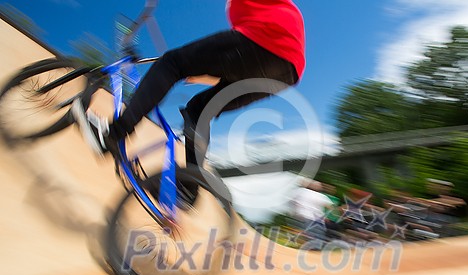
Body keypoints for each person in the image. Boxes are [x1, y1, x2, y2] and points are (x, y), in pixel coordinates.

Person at [75, 0, 306, 206]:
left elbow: (248, 54)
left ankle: (113, 135)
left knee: (171, 63)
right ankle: (188, 188)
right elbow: (242, 65)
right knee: (200, 109)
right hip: (285, 71)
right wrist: (203, 74)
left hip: (266, 40)